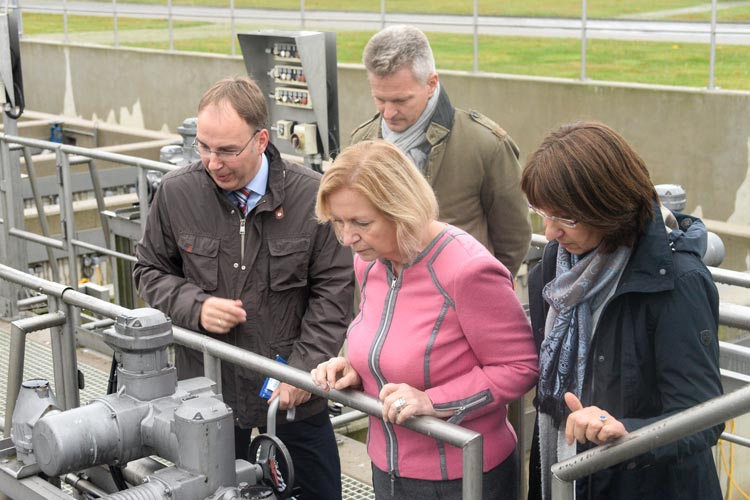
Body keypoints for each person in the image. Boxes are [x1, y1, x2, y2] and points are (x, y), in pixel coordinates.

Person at [133, 76, 354, 500]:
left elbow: (335, 292)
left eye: (228, 150)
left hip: (292, 399)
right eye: (204, 147)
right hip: (207, 397)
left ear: (261, 140)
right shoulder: (177, 193)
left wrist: (300, 373)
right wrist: (195, 306)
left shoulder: (313, 197)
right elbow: (148, 270)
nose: (214, 162)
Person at [310, 139, 538, 499]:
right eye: (338, 222)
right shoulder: (369, 260)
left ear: (402, 208)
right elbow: (387, 341)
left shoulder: (467, 269)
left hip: (463, 476)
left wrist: (433, 402)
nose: (347, 237)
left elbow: (520, 366)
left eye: (361, 222)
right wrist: (356, 370)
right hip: (387, 468)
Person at [522, 121, 724, 500]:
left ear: (608, 207)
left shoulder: (677, 281)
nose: (549, 233)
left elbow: (704, 418)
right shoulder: (556, 263)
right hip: (567, 472)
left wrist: (625, 433)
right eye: (540, 213)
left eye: (566, 218)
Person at [350, 24, 531, 277]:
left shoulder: (485, 145)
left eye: (401, 100)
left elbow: (514, 239)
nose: (389, 113)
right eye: (380, 99)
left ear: (432, 83)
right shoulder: (360, 144)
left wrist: (480, 291)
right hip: (383, 308)